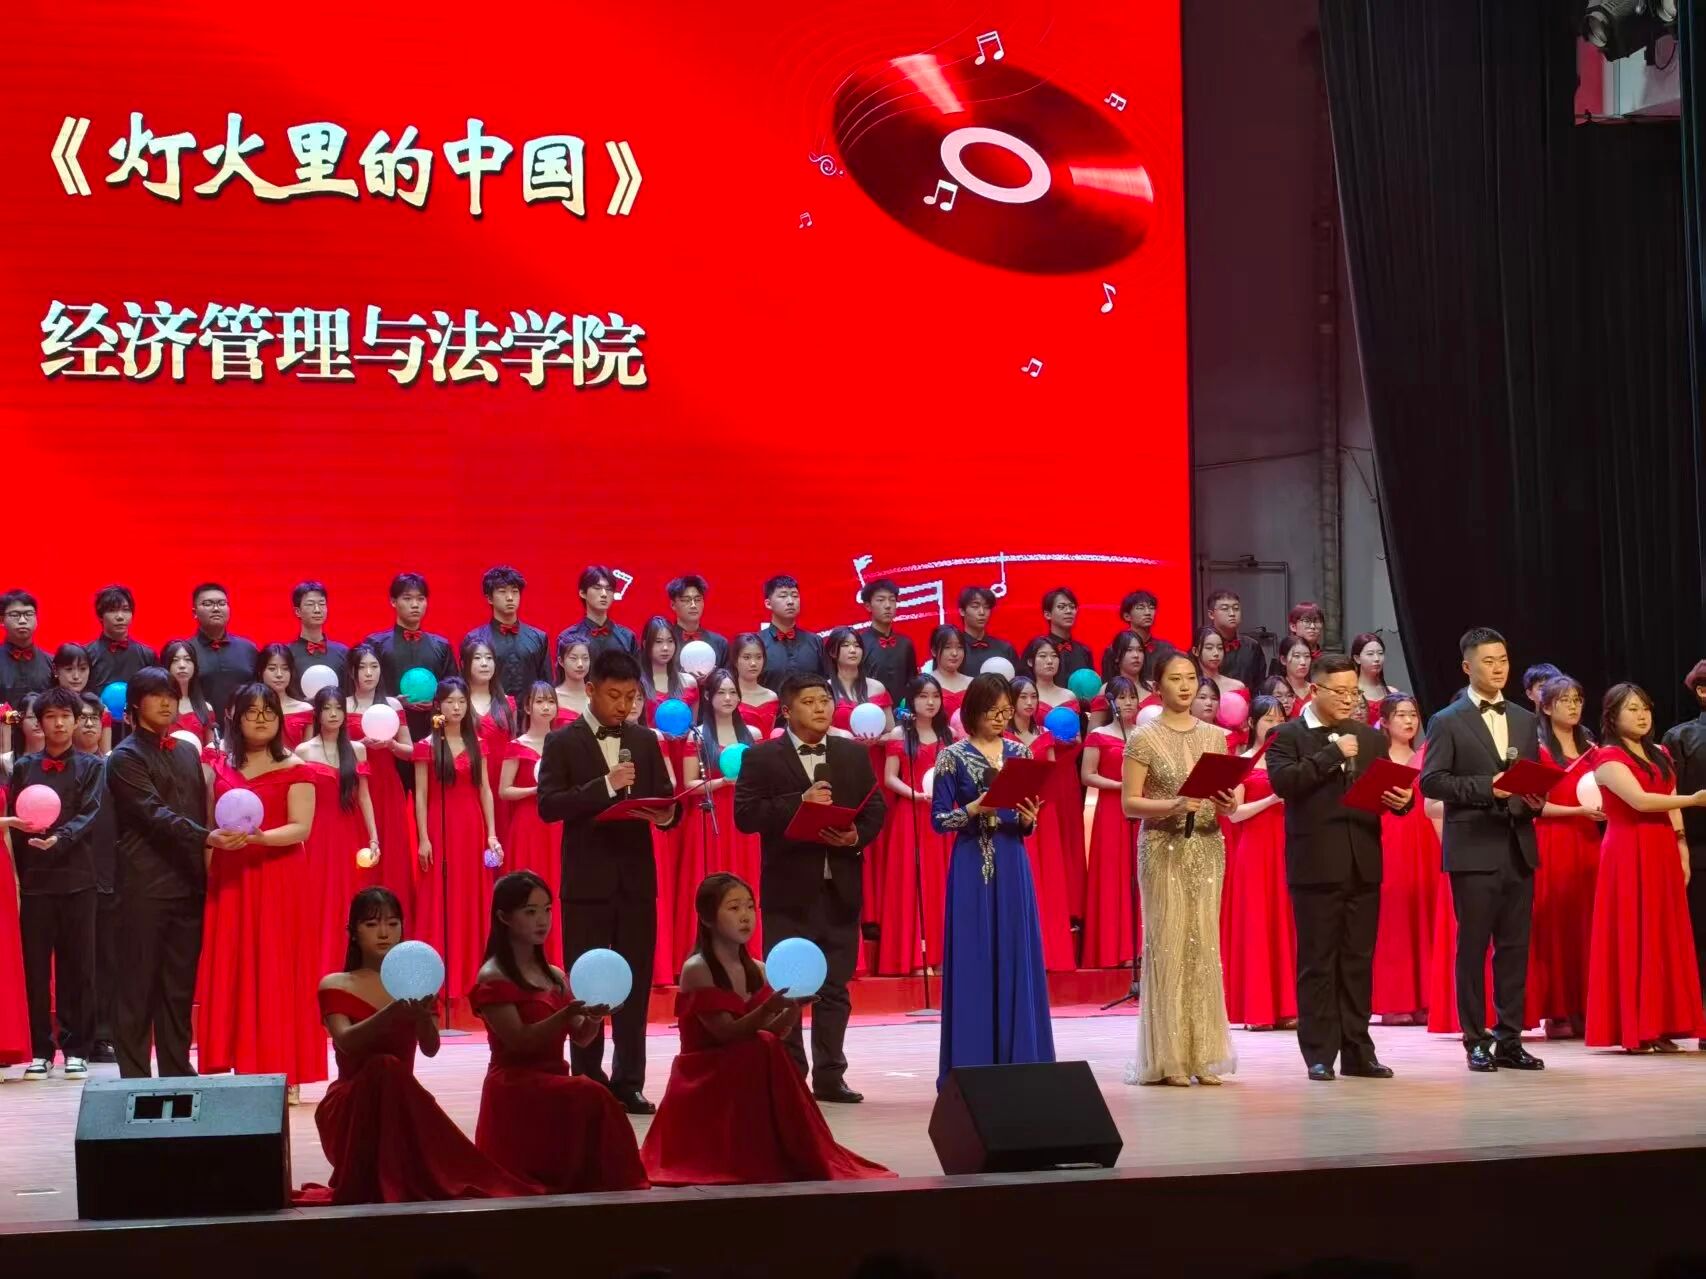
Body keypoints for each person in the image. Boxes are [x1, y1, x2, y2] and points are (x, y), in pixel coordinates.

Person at [643, 873, 894, 1185]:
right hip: (705, 1072)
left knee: (766, 1046)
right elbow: (726, 1034)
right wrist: (769, 1008)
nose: (745, 916)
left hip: (743, 1063)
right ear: (707, 918)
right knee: (761, 1047)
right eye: (734, 908)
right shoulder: (698, 968)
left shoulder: (758, 969)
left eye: (750, 907)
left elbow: (773, 1033)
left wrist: (793, 1007)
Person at [297, 887, 536, 1205]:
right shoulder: (335, 983)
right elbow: (346, 1042)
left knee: (391, 1071)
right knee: (383, 1066)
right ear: (353, 931)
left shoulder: (417, 982)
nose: (384, 933)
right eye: (372, 924)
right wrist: (393, 1012)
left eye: (392, 923)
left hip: (402, 1101)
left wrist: (422, 1018)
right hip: (350, 1105)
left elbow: (430, 1047)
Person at [535, 649, 679, 1113]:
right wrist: (607, 785)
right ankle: (588, 1077)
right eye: (614, 695)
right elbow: (549, 805)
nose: (623, 705)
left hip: (636, 882)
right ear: (591, 689)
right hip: (586, 884)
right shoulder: (562, 741)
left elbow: (665, 800)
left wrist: (666, 815)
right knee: (588, 984)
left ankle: (629, 1081)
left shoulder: (645, 739)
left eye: (631, 697)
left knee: (635, 985)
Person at [734, 673, 885, 1103]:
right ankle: (789, 1073)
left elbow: (875, 809)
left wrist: (856, 836)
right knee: (788, 989)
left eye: (825, 700)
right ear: (787, 710)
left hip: (841, 887)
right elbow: (745, 815)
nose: (821, 708)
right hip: (789, 892)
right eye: (810, 702)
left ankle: (831, 1075)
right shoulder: (762, 757)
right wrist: (797, 803)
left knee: (835, 987)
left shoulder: (851, 754)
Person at [1267, 655, 1411, 1081]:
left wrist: (1403, 802)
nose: (1350, 699)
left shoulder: (1369, 738)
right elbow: (1285, 784)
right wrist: (1331, 753)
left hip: (1363, 862)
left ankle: (1358, 1051)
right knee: (1318, 962)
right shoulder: (1286, 736)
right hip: (1316, 866)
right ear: (1315, 690)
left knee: (1357, 962)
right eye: (1341, 692)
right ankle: (1318, 1053)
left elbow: (1383, 789)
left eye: (1354, 692)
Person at [469, 871, 649, 1192]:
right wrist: (566, 1014)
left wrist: (595, 1017)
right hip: (514, 1084)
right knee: (592, 1093)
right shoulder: (493, 975)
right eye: (530, 911)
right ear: (504, 917)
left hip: (553, 1081)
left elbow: (581, 1037)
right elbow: (520, 1041)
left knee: (592, 1093)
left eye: (547, 910)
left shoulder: (553, 975)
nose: (542, 920)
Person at [105, 667, 245, 1076]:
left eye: (171, 695)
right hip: (143, 885)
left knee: (179, 986)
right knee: (137, 986)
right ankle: (134, 1078)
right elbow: (152, 814)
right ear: (135, 705)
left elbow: (199, 809)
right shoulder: (125, 757)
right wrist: (207, 837)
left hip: (188, 883)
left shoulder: (186, 752)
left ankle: (177, 1071)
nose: (167, 702)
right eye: (156, 695)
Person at [1419, 627, 1547, 1073]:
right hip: (1473, 848)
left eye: (1503, 660)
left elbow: (1529, 778)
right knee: (1472, 948)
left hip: (1518, 845)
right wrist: (1486, 788)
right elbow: (1432, 781)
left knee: (1514, 948)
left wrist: (1535, 800)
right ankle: (1476, 1039)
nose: (1498, 669)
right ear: (1467, 666)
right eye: (1488, 661)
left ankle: (1510, 1039)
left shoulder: (1525, 719)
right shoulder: (1447, 720)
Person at [197, 683, 322, 1099]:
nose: (261, 719)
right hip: (231, 877)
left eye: (268, 711)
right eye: (251, 711)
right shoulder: (218, 766)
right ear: (235, 717)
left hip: (278, 876)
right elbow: (207, 824)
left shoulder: (296, 767)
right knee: (236, 968)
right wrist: (212, 861)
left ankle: (287, 1070)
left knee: (277, 968)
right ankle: (243, 1063)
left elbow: (301, 828)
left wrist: (258, 838)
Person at [1121, 651, 1239, 1086]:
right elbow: (1129, 803)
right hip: (1163, 846)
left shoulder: (1215, 736)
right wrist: (1172, 805)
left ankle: (1202, 1055)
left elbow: (1229, 802)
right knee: (1168, 945)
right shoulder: (1144, 738)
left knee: (1203, 946)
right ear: (1157, 686)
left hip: (1208, 846)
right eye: (1176, 678)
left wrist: (1229, 803)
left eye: (1191, 678)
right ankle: (1168, 1058)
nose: (1186, 686)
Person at [931, 674, 1051, 1084]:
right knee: (975, 955)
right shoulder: (951, 757)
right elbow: (940, 820)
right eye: (992, 712)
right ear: (972, 712)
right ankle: (973, 1066)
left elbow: (1024, 819)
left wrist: (1029, 819)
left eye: (1006, 711)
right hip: (971, 864)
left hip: (1013, 862)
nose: (1001, 719)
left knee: (1016, 953)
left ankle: (1021, 1064)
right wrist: (975, 808)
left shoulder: (1021, 753)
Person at [1584, 684, 1706, 1052]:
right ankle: (1634, 1029)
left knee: (1663, 935)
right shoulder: (1606, 757)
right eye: (1632, 708)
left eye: (1645, 708)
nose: (1642, 715)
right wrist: (1696, 799)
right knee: (1634, 932)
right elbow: (1639, 801)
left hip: (1662, 847)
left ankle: (1662, 1023)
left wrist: (1681, 845)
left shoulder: (1660, 753)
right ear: (1612, 716)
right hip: (1628, 850)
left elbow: (1670, 801)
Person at [6, 688, 105, 1079]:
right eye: (51, 716)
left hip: (79, 878)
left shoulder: (92, 766)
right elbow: (15, 821)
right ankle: (40, 1050)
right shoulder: (23, 768)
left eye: (66, 716)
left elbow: (91, 812)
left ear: (76, 720)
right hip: (35, 882)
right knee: (34, 970)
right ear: (39, 722)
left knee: (78, 967)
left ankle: (77, 1048)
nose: (60, 723)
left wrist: (60, 838)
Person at [412, 676, 503, 1023]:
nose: (456, 707)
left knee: (471, 896)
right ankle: (437, 979)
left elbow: (485, 791)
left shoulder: (477, 743)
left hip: (471, 826)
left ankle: (472, 975)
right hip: (440, 825)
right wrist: (423, 837)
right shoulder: (425, 746)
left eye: (461, 702)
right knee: (439, 897)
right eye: (450, 701)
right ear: (438, 705)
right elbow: (421, 795)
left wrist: (491, 833)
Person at [1529, 675, 1602, 1038]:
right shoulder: (1537, 749)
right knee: (1556, 926)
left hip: (1588, 842)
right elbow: (1533, 806)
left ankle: (1588, 1006)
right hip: (1552, 842)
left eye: (1578, 699)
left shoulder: (1592, 748)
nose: (1573, 706)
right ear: (1545, 707)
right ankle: (1557, 1011)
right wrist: (1578, 812)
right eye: (1564, 700)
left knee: (1587, 924)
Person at [1220, 696, 1295, 1031]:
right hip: (1254, 850)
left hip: (1287, 846)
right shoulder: (1243, 761)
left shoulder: (1291, 762)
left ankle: (1289, 1006)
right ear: (1252, 723)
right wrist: (1272, 798)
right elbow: (1234, 814)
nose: (1275, 724)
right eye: (1268, 718)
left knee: (1286, 924)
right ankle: (1258, 1010)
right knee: (1257, 924)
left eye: (1280, 718)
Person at [295, 688, 380, 977]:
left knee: (348, 897)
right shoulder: (303, 752)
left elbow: (364, 797)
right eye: (327, 708)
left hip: (348, 833)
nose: (333, 714)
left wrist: (373, 836)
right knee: (317, 898)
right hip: (315, 834)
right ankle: (315, 966)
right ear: (317, 714)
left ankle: (349, 965)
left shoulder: (357, 750)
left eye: (338, 708)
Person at [679, 670, 763, 961]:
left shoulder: (753, 735)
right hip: (711, 814)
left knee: (747, 876)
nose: (728, 698)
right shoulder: (698, 735)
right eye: (721, 693)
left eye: (733, 692)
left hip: (744, 813)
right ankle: (707, 953)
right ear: (708, 696)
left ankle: (749, 953)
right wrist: (722, 782)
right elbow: (689, 785)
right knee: (712, 880)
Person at [875, 673, 953, 975]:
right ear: (912, 700)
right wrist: (916, 794)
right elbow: (889, 778)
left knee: (942, 885)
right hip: (911, 816)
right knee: (914, 884)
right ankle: (915, 958)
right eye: (923, 696)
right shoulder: (899, 734)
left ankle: (943, 955)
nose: (930, 702)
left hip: (943, 817)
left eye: (935, 696)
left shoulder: (949, 734)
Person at [1371, 693, 1439, 1026]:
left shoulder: (1427, 756)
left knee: (1424, 915)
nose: (1409, 721)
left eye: (1413, 714)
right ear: (1384, 721)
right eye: (1400, 715)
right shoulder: (1376, 759)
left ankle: (1426, 998)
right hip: (1389, 842)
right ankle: (1394, 1000)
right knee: (1394, 920)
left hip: (1425, 843)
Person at [1005, 677, 1076, 971]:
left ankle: (1051, 952)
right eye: (1023, 697)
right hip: (1014, 813)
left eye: (1033, 696)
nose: (1030, 702)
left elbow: (1050, 772)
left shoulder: (1045, 734)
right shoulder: (1003, 736)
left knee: (1048, 880)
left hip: (1043, 812)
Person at [346, 642, 415, 919]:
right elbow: (329, 749)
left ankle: (393, 917)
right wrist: (358, 746)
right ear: (351, 671)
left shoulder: (392, 705)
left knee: (392, 851)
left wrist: (391, 745)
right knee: (358, 849)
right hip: (354, 787)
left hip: (387, 785)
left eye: (374, 666)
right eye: (362, 667)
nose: (368, 673)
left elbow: (411, 751)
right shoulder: (342, 705)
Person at [497, 682, 565, 962]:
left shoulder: (563, 743)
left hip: (557, 823)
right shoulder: (517, 746)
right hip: (527, 824)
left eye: (550, 702)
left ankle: (557, 955)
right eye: (539, 702)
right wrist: (534, 791)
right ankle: (523, 957)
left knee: (558, 885)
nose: (546, 707)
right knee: (527, 887)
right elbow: (504, 791)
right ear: (527, 707)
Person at [1024, 635, 1086, 926]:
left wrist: (1070, 742)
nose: (1049, 661)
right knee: (1043, 835)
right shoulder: (1025, 695)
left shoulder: (1069, 696)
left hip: (1066, 771)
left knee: (1068, 833)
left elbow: (1080, 740)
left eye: (1054, 656)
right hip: (1038, 773)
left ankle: (1071, 907)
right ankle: (1042, 901)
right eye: (1043, 656)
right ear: (1030, 661)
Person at [1081, 677, 1141, 970]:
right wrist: (1120, 786)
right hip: (1110, 810)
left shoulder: (1144, 734)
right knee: (1113, 876)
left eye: (1132, 697)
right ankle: (1113, 950)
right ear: (1111, 703)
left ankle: (1139, 947)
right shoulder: (1099, 736)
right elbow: (1087, 775)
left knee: (1139, 875)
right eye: (1122, 697)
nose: (1128, 703)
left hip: (1140, 809)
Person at [74, 692, 120, 1061]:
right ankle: (73, 1035)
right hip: (67, 875)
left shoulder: (115, 768)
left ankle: (103, 1034)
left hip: (108, 876)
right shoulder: (53, 769)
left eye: (95, 718)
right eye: (82, 717)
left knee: (106, 960)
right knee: (74, 961)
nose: (89, 724)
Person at [1660, 659, 1706, 1009]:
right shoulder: (1680, 737)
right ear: (1702, 691)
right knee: (1700, 933)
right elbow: (1669, 796)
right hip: (1700, 849)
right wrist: (1680, 845)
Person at [363, 572, 457, 743]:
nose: (415, 605)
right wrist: (392, 702)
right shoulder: (375, 644)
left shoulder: (442, 646)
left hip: (433, 730)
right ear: (393, 601)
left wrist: (436, 703)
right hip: (388, 730)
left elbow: (454, 689)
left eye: (420, 599)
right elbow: (363, 690)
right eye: (407, 598)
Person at [463, 565, 550, 698]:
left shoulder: (539, 638)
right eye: (502, 592)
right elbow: (466, 684)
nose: (510, 597)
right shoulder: (474, 639)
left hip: (530, 709)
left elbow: (547, 683)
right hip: (490, 709)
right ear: (489, 598)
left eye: (515, 591)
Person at [188, 583, 259, 719]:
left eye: (222, 603)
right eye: (208, 604)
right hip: (201, 727)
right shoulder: (185, 652)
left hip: (244, 726)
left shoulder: (248, 648)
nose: (216, 609)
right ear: (194, 612)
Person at [87, 584, 159, 704]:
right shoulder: (86, 655)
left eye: (125, 610)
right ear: (100, 616)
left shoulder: (147, 655)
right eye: (112, 610)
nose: (120, 617)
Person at [555, 565, 639, 664]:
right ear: (582, 593)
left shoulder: (627, 637)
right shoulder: (568, 637)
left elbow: (636, 672)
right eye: (597, 588)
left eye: (609, 589)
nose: (604, 594)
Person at [758, 574, 826, 692]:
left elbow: (825, 682)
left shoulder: (815, 641)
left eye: (795, 596)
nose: (790, 601)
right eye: (783, 596)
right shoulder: (757, 643)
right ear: (768, 603)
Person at [857, 578, 918, 707]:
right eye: (881, 600)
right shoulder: (860, 644)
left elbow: (913, 682)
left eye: (892, 600)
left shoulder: (906, 644)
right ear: (868, 606)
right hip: (871, 711)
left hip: (903, 712)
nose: (888, 605)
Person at [285, 580, 348, 700]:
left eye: (322, 604)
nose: (317, 609)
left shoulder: (343, 652)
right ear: (297, 611)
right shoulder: (287, 654)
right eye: (310, 604)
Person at [52, 643, 111, 752]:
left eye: (83, 669)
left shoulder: (100, 708)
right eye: (69, 669)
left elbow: (105, 754)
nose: (76, 676)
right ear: (55, 670)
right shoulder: (46, 706)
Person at [255, 643, 315, 749]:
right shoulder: (251, 709)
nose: (279, 674)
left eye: (285, 669)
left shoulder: (305, 710)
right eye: (272, 669)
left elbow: (308, 752)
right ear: (260, 672)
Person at [0, 589, 53, 708]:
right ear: (2, 620)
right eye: (15, 615)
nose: (23, 620)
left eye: (28, 614)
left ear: (36, 619)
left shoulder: (51, 662)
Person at [666, 573, 729, 670]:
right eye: (686, 600)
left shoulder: (720, 643)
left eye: (698, 599)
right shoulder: (664, 643)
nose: (693, 605)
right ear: (673, 605)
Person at [1204, 589, 1265, 689]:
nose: (1232, 613)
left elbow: (1259, 685)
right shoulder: (1202, 645)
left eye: (1236, 608)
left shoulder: (1252, 646)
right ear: (1211, 614)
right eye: (1225, 609)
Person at [161, 639, 217, 746]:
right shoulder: (158, 706)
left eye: (187, 659)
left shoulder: (206, 708)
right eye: (175, 660)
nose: (182, 665)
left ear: (195, 666)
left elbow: (211, 748)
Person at [957, 585, 1018, 677]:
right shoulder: (954, 650)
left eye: (986, 607)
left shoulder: (1004, 649)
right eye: (975, 607)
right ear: (962, 611)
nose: (982, 612)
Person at [1101, 590, 1160, 679]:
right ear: (1127, 616)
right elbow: (1109, 682)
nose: (1148, 612)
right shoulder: (1114, 650)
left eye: (1151, 608)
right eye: (1140, 608)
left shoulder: (1165, 649)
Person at [733, 632, 781, 738]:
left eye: (758, 657)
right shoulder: (728, 695)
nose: (753, 663)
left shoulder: (772, 697)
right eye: (746, 657)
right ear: (735, 660)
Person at [1040, 587, 1093, 681]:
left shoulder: (1084, 651)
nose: (1069, 611)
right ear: (1047, 614)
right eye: (1061, 607)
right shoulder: (1039, 650)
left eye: (1072, 607)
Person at [928, 625, 973, 725]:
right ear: (934, 651)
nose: (954, 653)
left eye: (960, 647)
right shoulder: (924, 684)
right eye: (947, 647)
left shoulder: (973, 683)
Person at [1190, 625, 1247, 701]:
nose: (1216, 653)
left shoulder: (1237, 687)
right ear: (1195, 651)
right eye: (1209, 648)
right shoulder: (1189, 687)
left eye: (1220, 648)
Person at [1351, 633, 1396, 723]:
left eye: (1380, 653)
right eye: (1370, 654)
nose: (1377, 658)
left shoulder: (1392, 693)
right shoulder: (1349, 693)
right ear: (1357, 658)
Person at [552, 634, 592, 726]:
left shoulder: (598, 696)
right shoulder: (553, 698)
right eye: (573, 658)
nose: (580, 664)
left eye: (585, 658)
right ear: (561, 661)